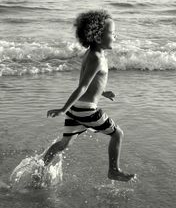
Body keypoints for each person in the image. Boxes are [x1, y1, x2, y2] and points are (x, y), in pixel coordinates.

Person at [44, 10, 135, 182]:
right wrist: (63, 109)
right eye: (112, 33)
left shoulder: (93, 54)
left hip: (78, 109)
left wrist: (103, 92)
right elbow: (83, 86)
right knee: (118, 134)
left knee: (64, 144)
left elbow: (92, 84)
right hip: (86, 110)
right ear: (98, 37)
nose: (116, 35)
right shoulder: (96, 58)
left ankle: (41, 165)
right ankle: (113, 170)